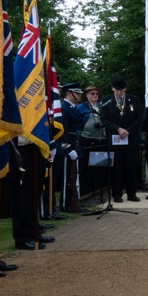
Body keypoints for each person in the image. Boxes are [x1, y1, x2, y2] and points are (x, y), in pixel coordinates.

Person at [99, 76, 143, 202]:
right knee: (116, 168)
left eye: (121, 90)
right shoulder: (107, 100)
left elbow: (139, 118)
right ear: (112, 88)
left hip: (130, 139)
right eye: (117, 90)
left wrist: (128, 130)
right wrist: (117, 129)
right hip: (115, 139)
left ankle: (132, 193)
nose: (119, 93)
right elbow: (104, 119)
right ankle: (117, 194)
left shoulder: (134, 100)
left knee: (132, 168)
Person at [58, 83, 83, 213]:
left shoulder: (72, 108)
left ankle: (71, 202)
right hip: (69, 146)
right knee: (67, 177)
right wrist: (67, 148)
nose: (79, 95)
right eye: (77, 93)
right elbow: (63, 131)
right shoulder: (65, 108)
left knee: (73, 176)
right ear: (69, 93)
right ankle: (64, 204)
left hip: (75, 144)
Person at [78, 85, 107, 195]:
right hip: (87, 140)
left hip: (102, 140)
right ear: (87, 95)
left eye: (96, 94)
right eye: (92, 94)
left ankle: (101, 187)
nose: (95, 96)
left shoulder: (102, 106)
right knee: (87, 166)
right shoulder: (82, 107)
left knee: (101, 165)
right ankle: (87, 189)